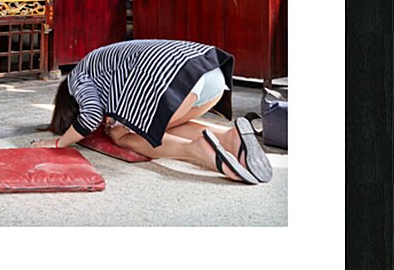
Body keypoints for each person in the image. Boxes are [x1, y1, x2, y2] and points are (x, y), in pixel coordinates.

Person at [31, 39, 272, 184]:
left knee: (122, 135)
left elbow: (91, 114)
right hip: (212, 74)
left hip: (174, 78)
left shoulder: (76, 79)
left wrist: (60, 143)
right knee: (164, 122)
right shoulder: (103, 65)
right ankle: (226, 137)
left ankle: (195, 150)